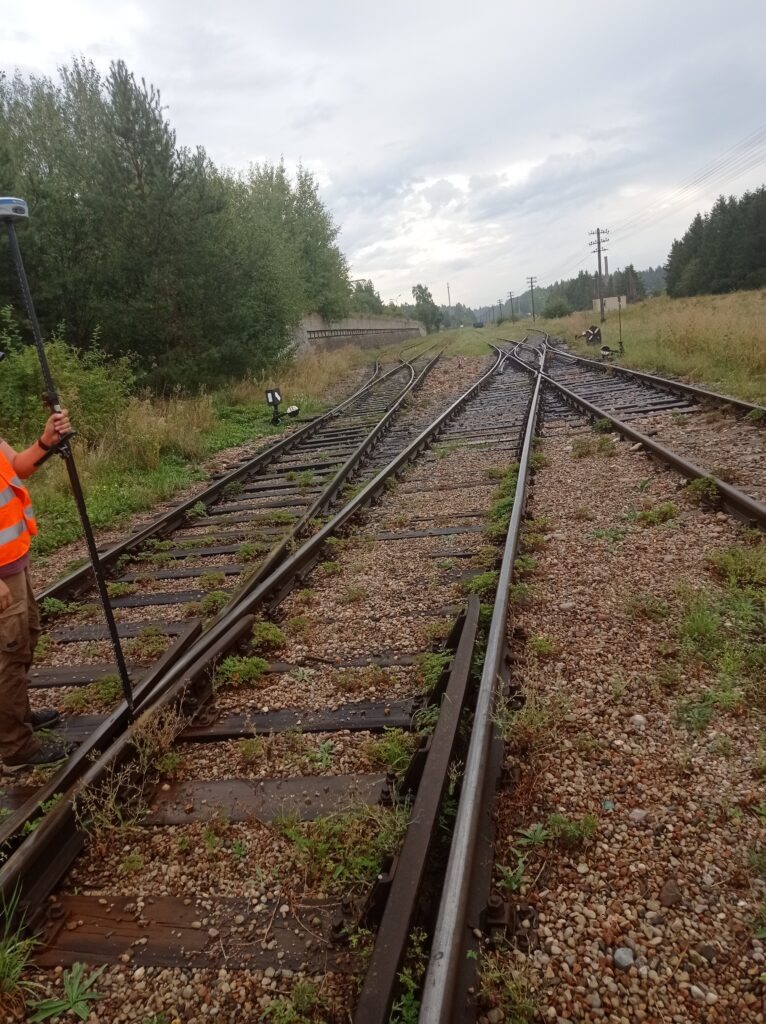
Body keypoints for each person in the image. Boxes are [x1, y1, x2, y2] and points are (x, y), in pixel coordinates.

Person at [1, 407, 72, 770]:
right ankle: (16, 749)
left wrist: (45, 443)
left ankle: (18, 717)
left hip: (13, 561)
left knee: (26, 636)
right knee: (8, 655)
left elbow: (17, 467)